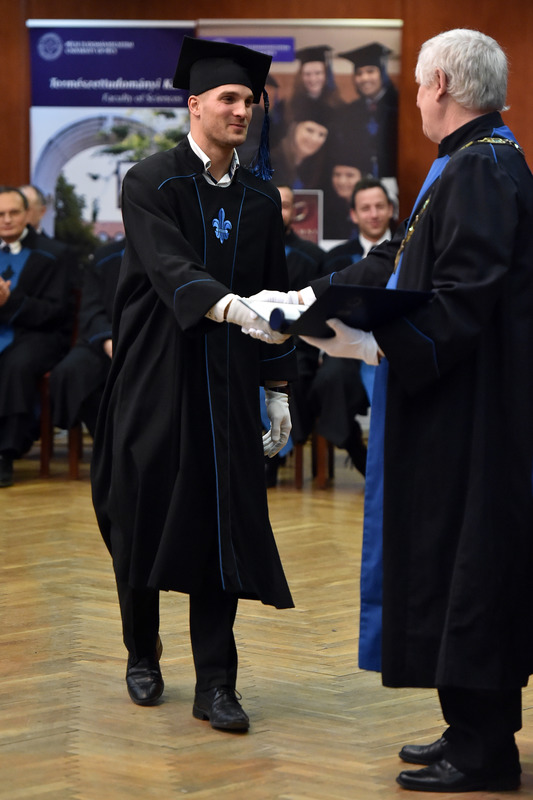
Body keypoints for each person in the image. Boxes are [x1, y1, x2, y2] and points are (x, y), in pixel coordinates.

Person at [244, 29, 533, 792]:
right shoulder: (465, 161)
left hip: (469, 413)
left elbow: (462, 300)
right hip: (452, 406)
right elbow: (396, 258)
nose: (414, 100)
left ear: (438, 84)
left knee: (467, 565)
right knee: (448, 560)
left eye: (418, 86)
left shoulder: (480, 167)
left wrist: (373, 346)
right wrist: (308, 299)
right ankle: (466, 728)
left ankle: (484, 751)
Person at [90, 36, 297, 732]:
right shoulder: (151, 181)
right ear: (196, 105)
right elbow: (169, 266)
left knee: (221, 524)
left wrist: (278, 388)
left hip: (228, 380)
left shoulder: (260, 197)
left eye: (249, 101)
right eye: (228, 99)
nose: (242, 110)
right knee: (139, 514)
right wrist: (232, 308)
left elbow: (276, 291)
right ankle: (140, 652)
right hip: (155, 372)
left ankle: (217, 683)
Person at [0, 186, 71, 487]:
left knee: (17, 365)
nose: (6, 220)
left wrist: (10, 301)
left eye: (13, 213)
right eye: (0, 214)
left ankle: (5, 453)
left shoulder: (55, 254)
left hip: (38, 335)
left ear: (28, 214)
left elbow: (57, 311)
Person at [261, 183, 325, 487]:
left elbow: (318, 314)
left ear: (293, 212)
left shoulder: (312, 257)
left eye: (284, 205)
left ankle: (271, 458)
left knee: (291, 371)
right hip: (248, 339)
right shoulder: (241, 251)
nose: (277, 211)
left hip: (298, 346)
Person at [49, 237, 124, 438]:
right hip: (105, 339)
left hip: (153, 342)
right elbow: (91, 309)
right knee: (71, 373)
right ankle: (107, 442)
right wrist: (108, 341)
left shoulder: (169, 253)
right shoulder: (104, 256)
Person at [335, 42, 398, 181]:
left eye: (370, 71)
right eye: (359, 73)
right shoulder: (349, 112)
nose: (364, 78)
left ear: (382, 73)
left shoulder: (399, 107)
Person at [270, 97, 331, 190]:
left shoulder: (319, 170)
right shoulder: (270, 161)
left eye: (322, 134)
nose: (314, 139)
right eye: (309, 130)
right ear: (294, 128)